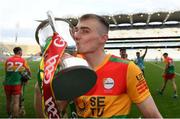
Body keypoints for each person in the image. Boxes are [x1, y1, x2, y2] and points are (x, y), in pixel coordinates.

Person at [35, 14, 162, 118]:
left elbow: (153, 115)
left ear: (103, 38)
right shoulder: (70, 66)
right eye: (76, 30)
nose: (76, 36)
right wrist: (43, 83)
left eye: (85, 31)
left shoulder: (127, 68)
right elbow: (56, 110)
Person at [3, 47, 31, 117]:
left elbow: (6, 71)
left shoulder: (8, 60)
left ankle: (9, 116)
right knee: (16, 102)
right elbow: (28, 71)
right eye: (21, 52)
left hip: (7, 83)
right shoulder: (22, 60)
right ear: (19, 52)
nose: (22, 53)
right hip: (16, 84)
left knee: (8, 101)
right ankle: (15, 117)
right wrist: (28, 77)